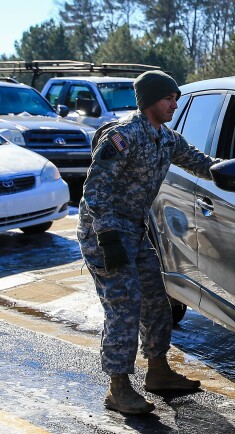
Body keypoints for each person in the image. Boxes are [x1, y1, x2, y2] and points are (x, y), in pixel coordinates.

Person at [78, 70, 222, 414]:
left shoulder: (166, 138)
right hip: (104, 231)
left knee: (157, 300)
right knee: (124, 305)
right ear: (149, 101)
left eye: (175, 97)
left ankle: (158, 371)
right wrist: (109, 238)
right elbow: (94, 192)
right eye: (167, 98)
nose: (174, 103)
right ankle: (118, 388)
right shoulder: (123, 137)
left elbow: (203, 164)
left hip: (133, 229)